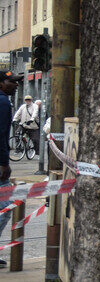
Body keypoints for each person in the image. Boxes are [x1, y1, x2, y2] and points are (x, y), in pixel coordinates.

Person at [0, 72, 20, 268]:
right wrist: (4, 163)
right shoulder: (3, 103)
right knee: (5, 207)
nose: (15, 85)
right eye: (11, 82)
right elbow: (1, 134)